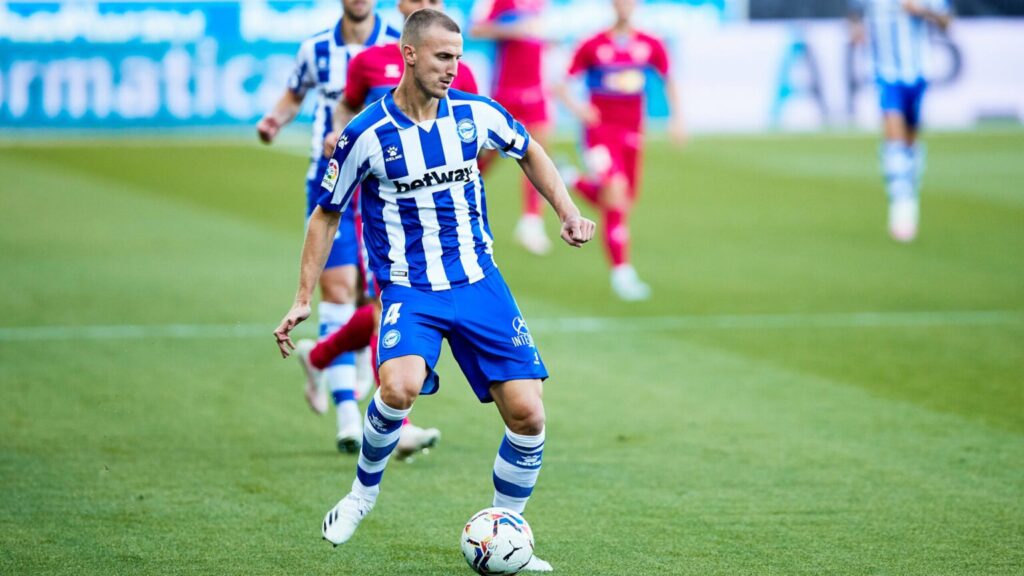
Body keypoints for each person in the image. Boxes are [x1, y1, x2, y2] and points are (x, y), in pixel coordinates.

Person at [273, 9, 594, 571]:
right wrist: (303, 297)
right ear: (411, 54)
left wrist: (565, 211)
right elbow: (325, 216)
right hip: (410, 291)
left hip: (479, 284)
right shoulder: (366, 135)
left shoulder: (474, 115)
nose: (454, 68)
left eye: (459, 57)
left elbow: (529, 149)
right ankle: (360, 497)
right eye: (444, 57)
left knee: (528, 415)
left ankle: (507, 534)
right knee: (398, 388)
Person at [295, 0, 484, 461]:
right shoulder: (370, 61)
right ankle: (397, 422)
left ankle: (319, 357)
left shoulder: (458, 70)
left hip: (438, 217)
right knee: (381, 300)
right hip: (377, 205)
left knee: (378, 304)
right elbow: (345, 112)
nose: (427, 5)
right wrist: (337, 138)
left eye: (436, 0)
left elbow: (482, 129)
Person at [256, 0, 400, 453]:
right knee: (338, 291)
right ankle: (347, 417)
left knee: (371, 298)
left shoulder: (401, 45)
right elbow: (295, 92)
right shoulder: (315, 49)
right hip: (332, 177)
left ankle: (319, 358)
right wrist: (274, 119)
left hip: (386, 183)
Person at [554, 0, 684, 301]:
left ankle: (570, 179)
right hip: (599, 133)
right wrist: (580, 109)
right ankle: (622, 272)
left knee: (621, 200)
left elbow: (668, 79)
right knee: (615, 190)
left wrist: (677, 119)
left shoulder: (649, 44)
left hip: (633, 134)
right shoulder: (593, 44)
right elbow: (560, 85)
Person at [849, 0, 952, 242]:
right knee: (894, 136)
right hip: (885, 73)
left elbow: (947, 22)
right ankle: (902, 206)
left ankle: (909, 191)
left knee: (909, 142)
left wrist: (922, 11)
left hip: (918, 72)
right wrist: (856, 30)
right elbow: (854, 13)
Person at [470, 0, 554, 256]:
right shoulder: (498, 2)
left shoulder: (541, 4)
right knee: (488, 156)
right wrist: (510, 31)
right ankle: (458, 190)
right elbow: (476, 29)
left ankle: (532, 222)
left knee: (537, 152)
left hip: (536, 90)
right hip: (507, 91)